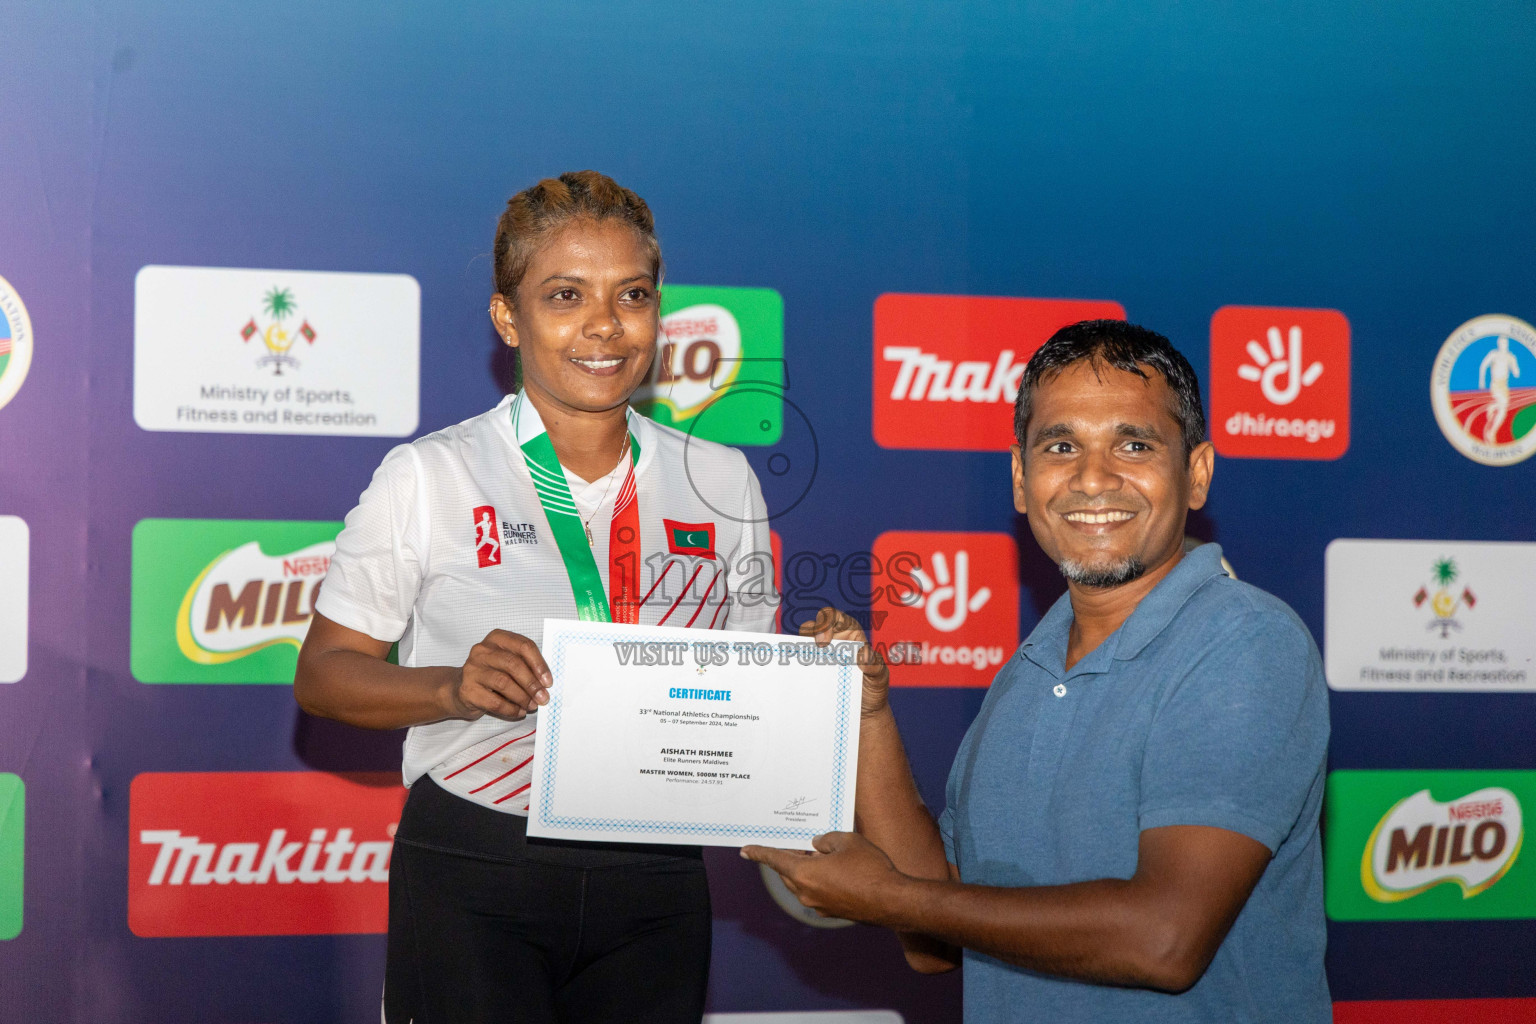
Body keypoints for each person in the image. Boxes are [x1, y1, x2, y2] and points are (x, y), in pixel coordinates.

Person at [295, 170, 778, 1024]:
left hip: (658, 875)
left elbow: (755, 690)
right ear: (508, 318)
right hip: (477, 865)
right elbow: (325, 677)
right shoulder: (432, 474)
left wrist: (819, 689)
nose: (604, 325)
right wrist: (449, 686)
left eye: (632, 294)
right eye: (566, 296)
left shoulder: (720, 478)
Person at [746, 320, 1331, 1023]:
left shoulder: (1245, 642)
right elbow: (935, 943)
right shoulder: (1029, 670)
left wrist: (889, 897)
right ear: (1022, 481)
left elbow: (1165, 940)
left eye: (1134, 444)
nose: (1092, 478)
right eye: (1061, 446)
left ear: (1197, 473)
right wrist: (867, 715)